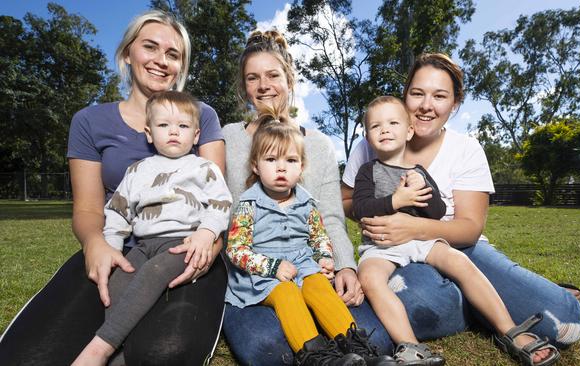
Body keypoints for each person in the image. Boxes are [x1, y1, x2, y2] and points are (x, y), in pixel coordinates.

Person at [0, 11, 228, 365]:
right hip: (118, 247)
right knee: (31, 355)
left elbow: (218, 197)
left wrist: (208, 246)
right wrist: (97, 245)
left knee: (163, 353)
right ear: (127, 53)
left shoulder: (201, 116)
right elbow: (90, 209)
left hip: (182, 247)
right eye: (150, 47)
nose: (161, 61)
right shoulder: (90, 121)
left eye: (173, 54)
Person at [341, 53, 580, 359]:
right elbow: (350, 201)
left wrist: (413, 223)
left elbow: (465, 226)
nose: (426, 105)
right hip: (391, 250)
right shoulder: (372, 145)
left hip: (457, 245)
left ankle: (501, 312)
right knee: (426, 300)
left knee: (566, 322)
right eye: (417, 93)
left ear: (454, 103)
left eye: (439, 96)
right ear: (405, 97)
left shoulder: (464, 149)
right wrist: (386, 212)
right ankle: (470, 309)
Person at [221, 29, 383, 366]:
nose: (263, 85)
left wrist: (342, 265)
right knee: (267, 349)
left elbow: (328, 220)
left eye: (272, 75)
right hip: (258, 271)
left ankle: (359, 353)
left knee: (371, 333)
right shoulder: (227, 138)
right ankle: (316, 356)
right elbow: (224, 218)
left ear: (289, 79)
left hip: (308, 267)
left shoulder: (320, 146)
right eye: (253, 78)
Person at [72, 91, 232, 365]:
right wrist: (112, 248)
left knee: (154, 273)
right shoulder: (137, 170)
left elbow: (221, 202)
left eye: (182, 126)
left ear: (195, 136)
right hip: (143, 243)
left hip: (183, 243)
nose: (173, 132)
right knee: (119, 280)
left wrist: (206, 234)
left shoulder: (203, 167)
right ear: (149, 133)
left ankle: (100, 348)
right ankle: (121, 356)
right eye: (163, 125)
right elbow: (118, 211)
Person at [225, 113, 393, 366]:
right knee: (287, 293)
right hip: (264, 273)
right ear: (256, 166)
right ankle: (316, 357)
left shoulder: (306, 201)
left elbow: (318, 236)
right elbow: (236, 249)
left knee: (319, 286)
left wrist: (325, 257)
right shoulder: (248, 205)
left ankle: (358, 349)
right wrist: (272, 267)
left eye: (291, 160)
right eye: (271, 160)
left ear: (301, 167)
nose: (281, 167)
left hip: (302, 263)